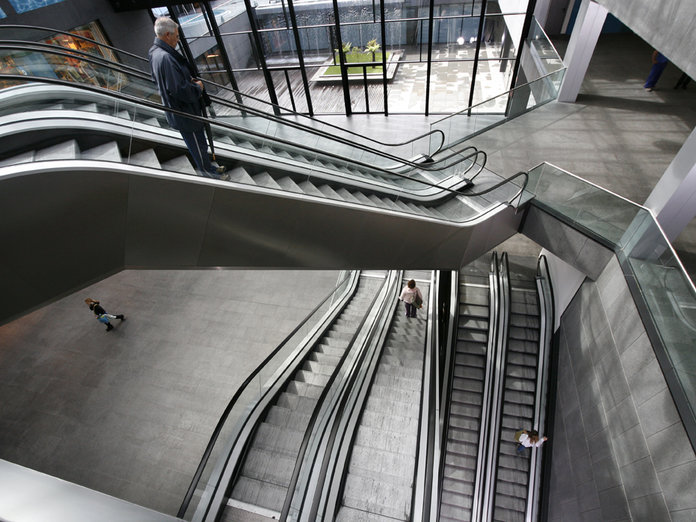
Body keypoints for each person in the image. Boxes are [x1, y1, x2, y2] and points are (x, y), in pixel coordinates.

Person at [148, 17, 229, 180]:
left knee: (199, 142)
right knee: (197, 144)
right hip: (184, 112)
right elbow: (178, 90)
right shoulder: (166, 58)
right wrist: (197, 87)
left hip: (180, 110)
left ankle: (208, 167)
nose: (178, 40)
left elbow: (161, 81)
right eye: (177, 36)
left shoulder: (154, 53)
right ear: (167, 35)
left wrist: (186, 80)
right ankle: (208, 174)